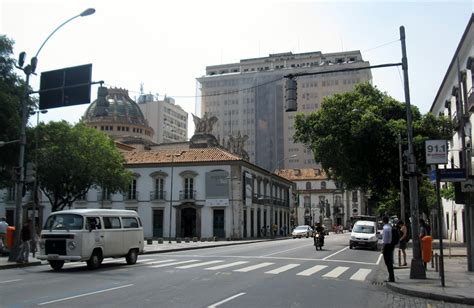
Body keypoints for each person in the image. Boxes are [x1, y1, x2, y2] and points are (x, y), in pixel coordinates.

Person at [382, 216, 395, 282]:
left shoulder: (385, 228)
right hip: (390, 245)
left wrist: (383, 248)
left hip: (387, 246)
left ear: (383, 221)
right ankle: (391, 277)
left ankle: (391, 278)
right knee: (389, 262)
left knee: (388, 262)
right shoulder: (390, 227)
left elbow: (385, 240)